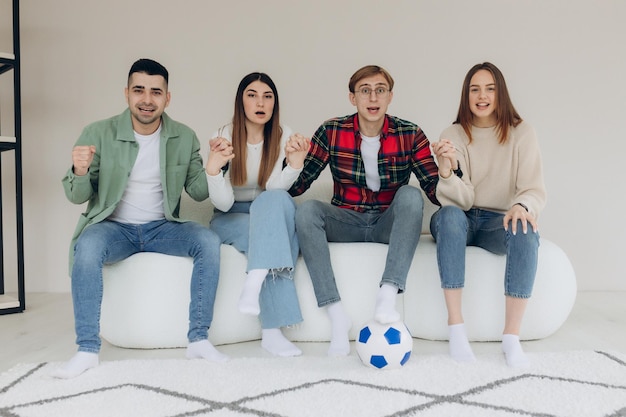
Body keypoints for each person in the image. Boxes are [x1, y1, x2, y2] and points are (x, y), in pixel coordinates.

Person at [56, 58, 228, 379]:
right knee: (87, 246)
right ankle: (87, 349)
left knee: (207, 239)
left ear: (167, 97)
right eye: (139, 90)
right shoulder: (97, 132)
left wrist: (214, 166)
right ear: (126, 94)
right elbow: (77, 196)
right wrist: (79, 170)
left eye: (155, 92)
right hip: (112, 229)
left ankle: (199, 338)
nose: (147, 99)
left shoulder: (184, 136)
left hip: (162, 227)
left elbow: (199, 191)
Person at [289, 65, 454, 357]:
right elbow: (298, 187)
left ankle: (388, 294)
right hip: (346, 219)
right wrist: (295, 162)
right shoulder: (332, 131)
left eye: (380, 90)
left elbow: (434, 191)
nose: (372, 97)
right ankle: (336, 313)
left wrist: (446, 169)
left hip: (386, 222)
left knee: (411, 196)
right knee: (307, 212)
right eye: (364, 90)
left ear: (390, 96)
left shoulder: (410, 133)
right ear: (353, 98)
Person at [430, 62, 546, 367]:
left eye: (490, 89)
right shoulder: (453, 133)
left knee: (525, 227)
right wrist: (445, 169)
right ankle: (456, 328)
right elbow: (463, 199)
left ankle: (511, 338)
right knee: (451, 216)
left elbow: (533, 189)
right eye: (475, 89)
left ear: (501, 93)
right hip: (462, 217)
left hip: (500, 220)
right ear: (466, 96)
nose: (482, 96)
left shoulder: (522, 133)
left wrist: (522, 206)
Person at [206, 72, 309, 357]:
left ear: (275, 104)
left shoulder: (283, 135)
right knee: (275, 239)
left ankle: (254, 281)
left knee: (274, 203)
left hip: (269, 211)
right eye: (252, 95)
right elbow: (224, 203)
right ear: (241, 101)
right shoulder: (223, 136)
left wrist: (295, 165)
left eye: (267, 96)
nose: (260, 102)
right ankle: (272, 332)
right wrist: (213, 170)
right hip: (231, 215)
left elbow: (275, 189)